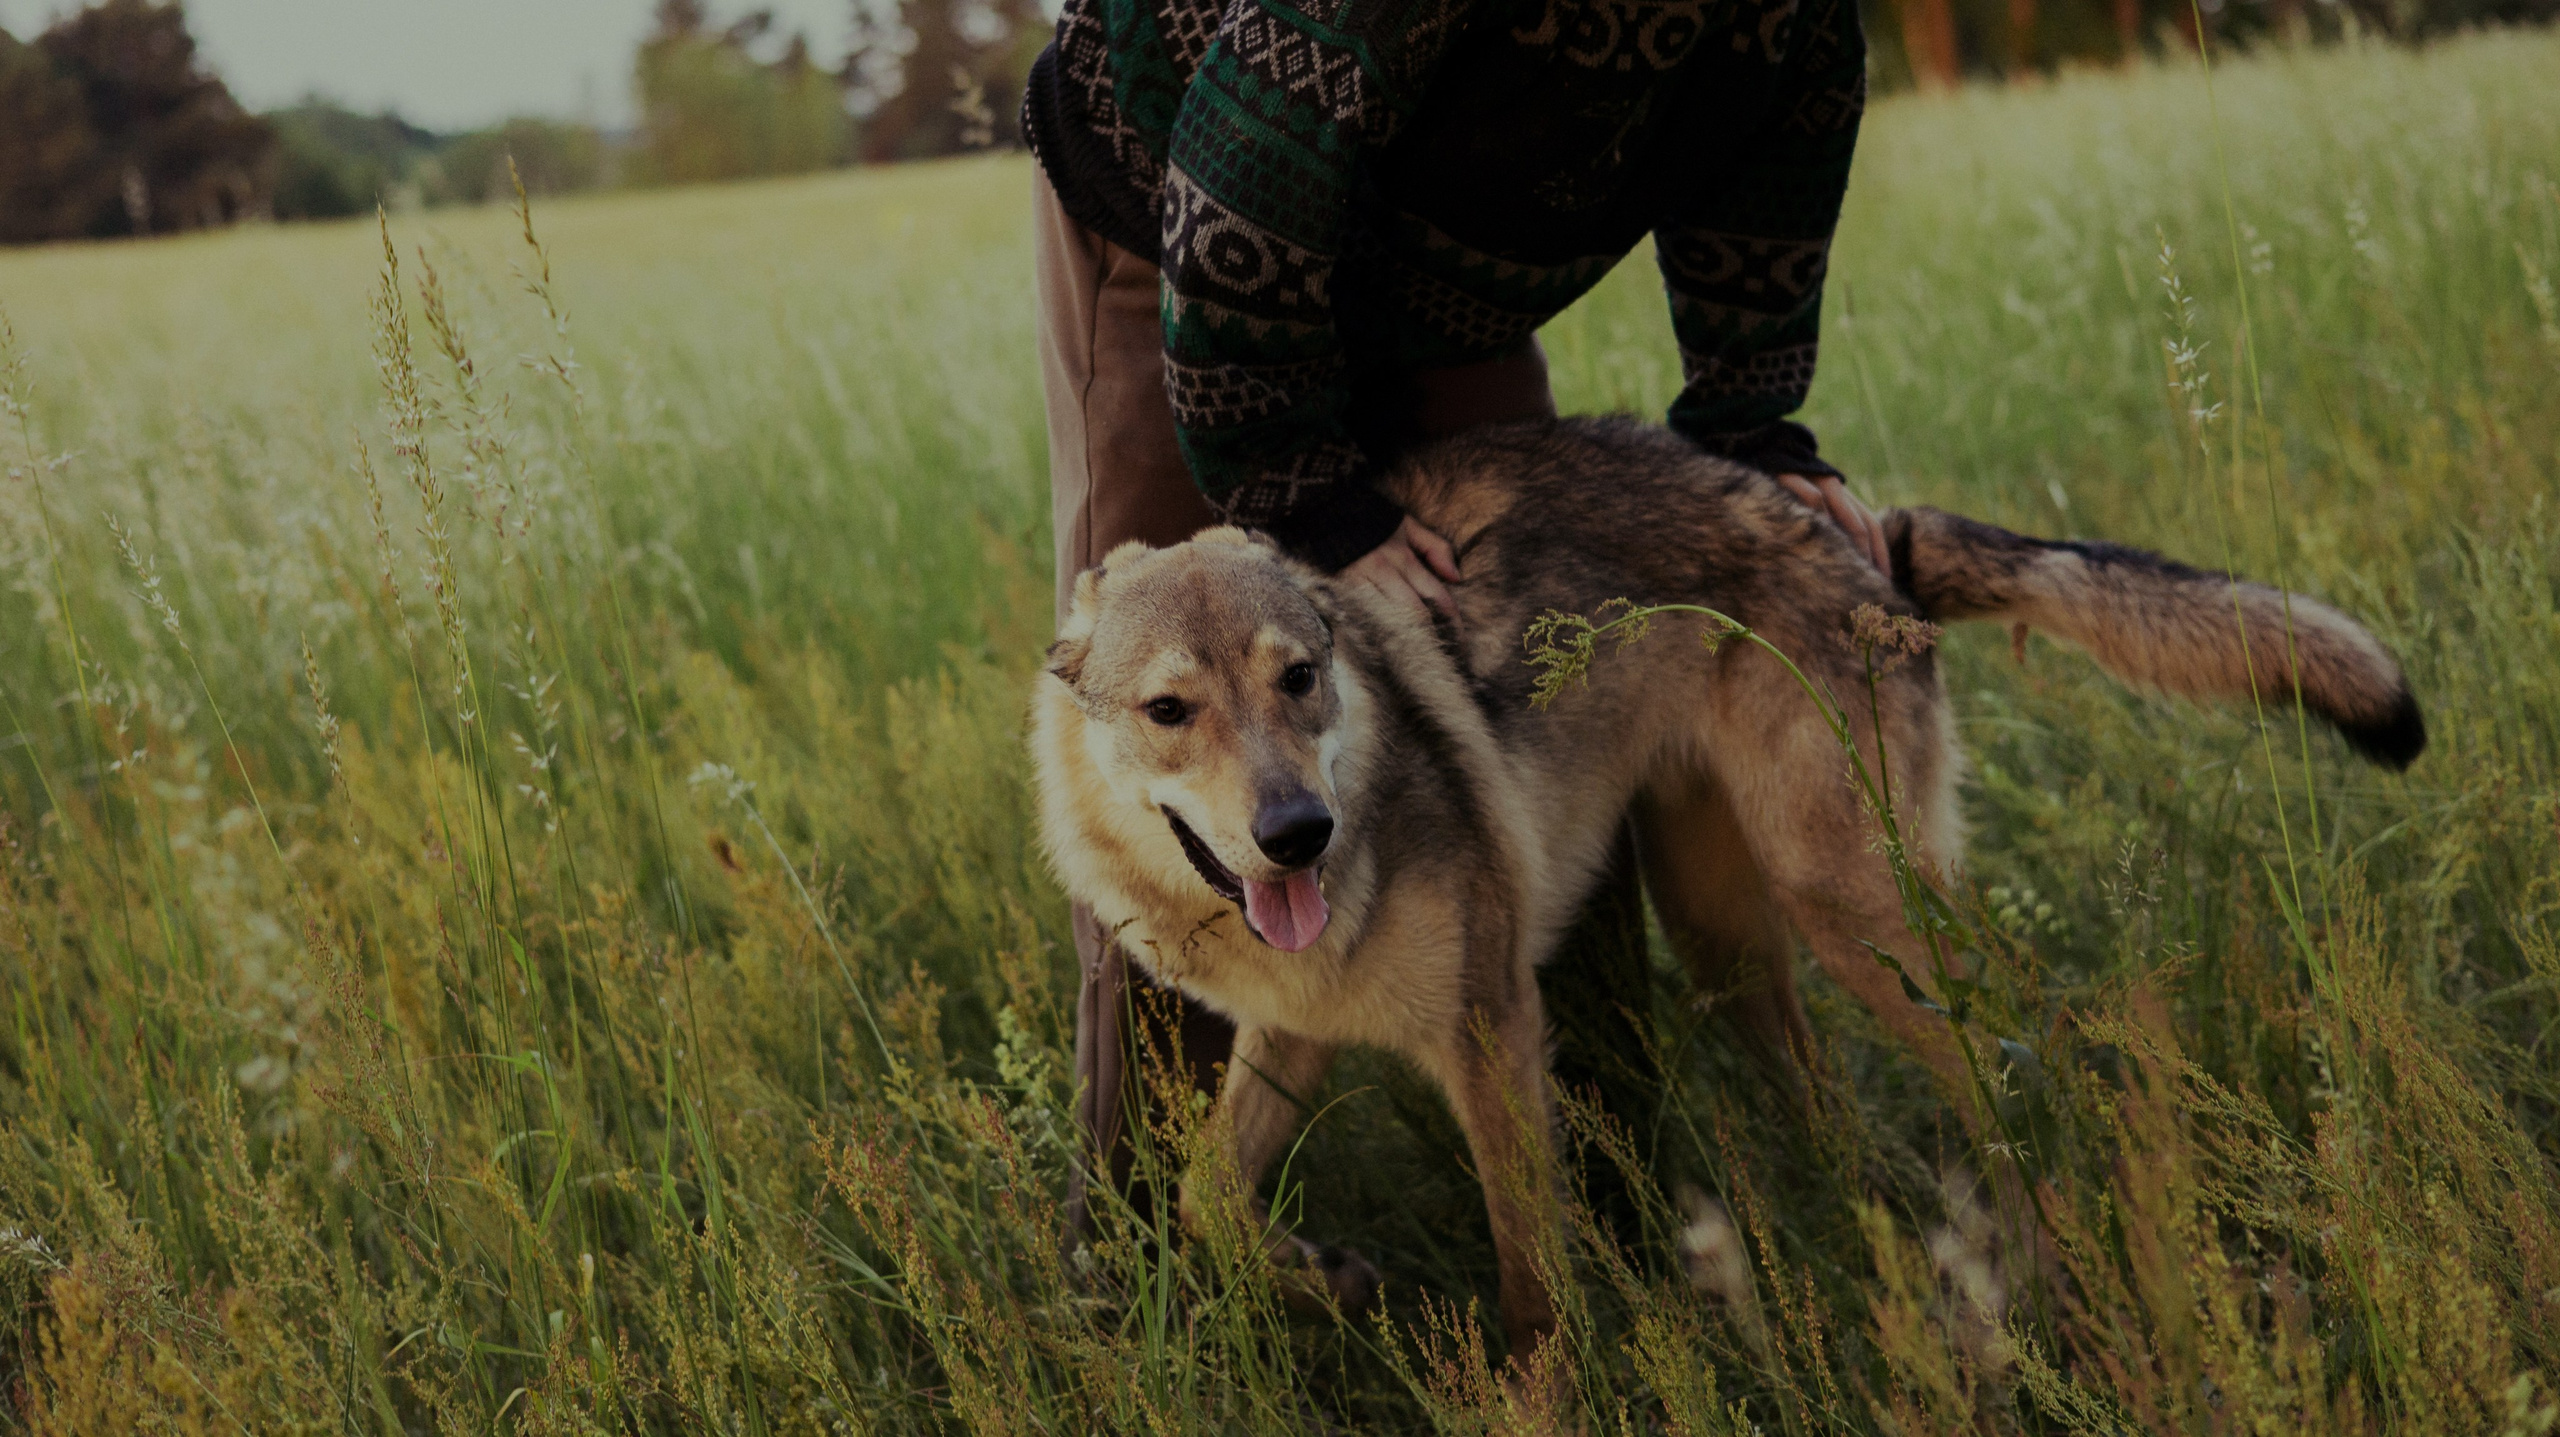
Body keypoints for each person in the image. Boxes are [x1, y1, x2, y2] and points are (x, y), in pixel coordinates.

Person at [1024, 0, 1890, 1254]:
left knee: (1543, 666)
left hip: (1437, 258)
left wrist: (1748, 421)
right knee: (1186, 712)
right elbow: (1243, 178)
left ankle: (1610, 1202)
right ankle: (1151, 1255)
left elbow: (1781, 140)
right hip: (1182, 211)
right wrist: (1303, 494)